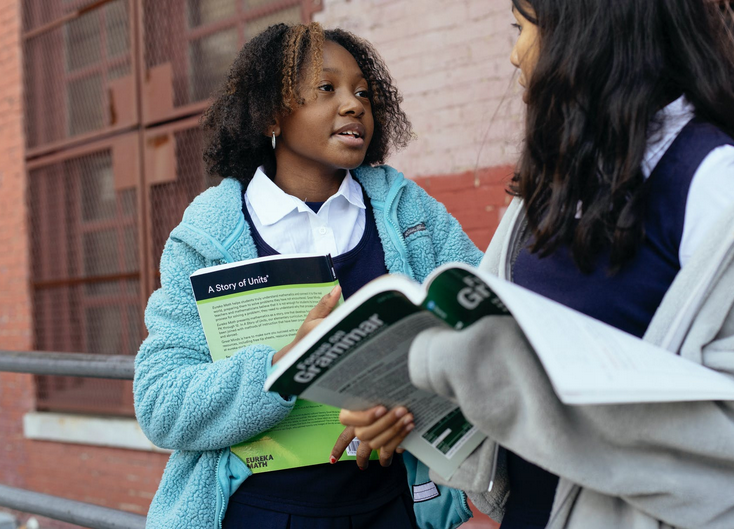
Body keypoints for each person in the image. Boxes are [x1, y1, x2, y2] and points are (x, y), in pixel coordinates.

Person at [341, 1, 734, 527]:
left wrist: (486, 371)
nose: (515, 55)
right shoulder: (548, 181)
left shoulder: (711, 180)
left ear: (587, 29)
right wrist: (408, 406)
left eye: (522, 28)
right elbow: (487, 368)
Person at [133, 22, 481, 529]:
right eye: (327, 88)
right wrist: (286, 366)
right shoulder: (207, 238)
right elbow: (161, 402)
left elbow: (487, 334)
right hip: (258, 512)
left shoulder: (411, 217)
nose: (354, 104)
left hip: (394, 507)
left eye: (363, 92)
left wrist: (411, 410)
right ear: (272, 112)